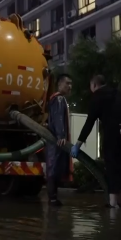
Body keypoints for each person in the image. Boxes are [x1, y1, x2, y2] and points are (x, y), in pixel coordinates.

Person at [70, 74, 121, 208]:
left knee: (113, 170)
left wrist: (77, 144)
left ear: (94, 85)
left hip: (112, 139)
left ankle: (113, 206)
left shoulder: (97, 97)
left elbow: (89, 122)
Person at [45, 73, 74, 207]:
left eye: (70, 84)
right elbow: (58, 119)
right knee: (54, 168)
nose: (70, 86)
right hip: (56, 141)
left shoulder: (57, 99)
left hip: (54, 139)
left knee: (55, 168)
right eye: (67, 83)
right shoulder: (59, 99)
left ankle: (53, 198)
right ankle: (52, 199)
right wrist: (61, 136)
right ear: (59, 84)